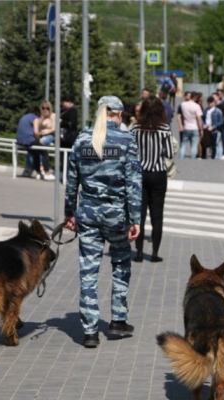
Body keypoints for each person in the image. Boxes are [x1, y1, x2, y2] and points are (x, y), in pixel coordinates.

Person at [64, 95, 142, 348]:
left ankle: (89, 331)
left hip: (87, 214)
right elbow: (133, 184)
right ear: (118, 115)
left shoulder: (82, 140)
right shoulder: (127, 140)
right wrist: (136, 219)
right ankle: (118, 319)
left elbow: (71, 182)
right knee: (120, 262)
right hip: (117, 215)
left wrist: (69, 213)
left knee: (88, 271)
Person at [130, 97, 173, 263]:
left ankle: (139, 252)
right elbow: (169, 153)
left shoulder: (135, 128)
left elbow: (131, 151)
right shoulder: (164, 128)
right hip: (158, 174)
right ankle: (154, 253)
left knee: (139, 215)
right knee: (157, 215)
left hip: (139, 174)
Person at [34, 101, 56, 181]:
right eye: (43, 108)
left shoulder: (53, 116)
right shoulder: (40, 118)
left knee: (41, 143)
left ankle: (42, 167)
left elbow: (54, 128)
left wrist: (45, 131)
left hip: (51, 135)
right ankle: (33, 169)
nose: (45, 110)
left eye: (47, 108)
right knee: (33, 148)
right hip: (41, 136)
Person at [179, 91, 203, 159]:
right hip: (194, 127)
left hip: (186, 126)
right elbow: (199, 119)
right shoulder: (197, 106)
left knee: (183, 144)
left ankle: (181, 158)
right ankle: (192, 159)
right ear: (195, 98)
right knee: (194, 145)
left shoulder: (183, 104)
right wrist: (201, 129)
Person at [204, 95, 224, 159]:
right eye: (208, 103)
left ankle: (216, 157)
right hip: (207, 129)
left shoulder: (218, 111)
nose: (209, 104)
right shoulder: (206, 110)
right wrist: (204, 124)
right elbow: (203, 118)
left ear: (214, 103)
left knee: (216, 144)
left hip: (215, 130)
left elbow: (221, 121)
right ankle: (211, 156)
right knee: (209, 144)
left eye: (211, 103)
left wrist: (214, 126)